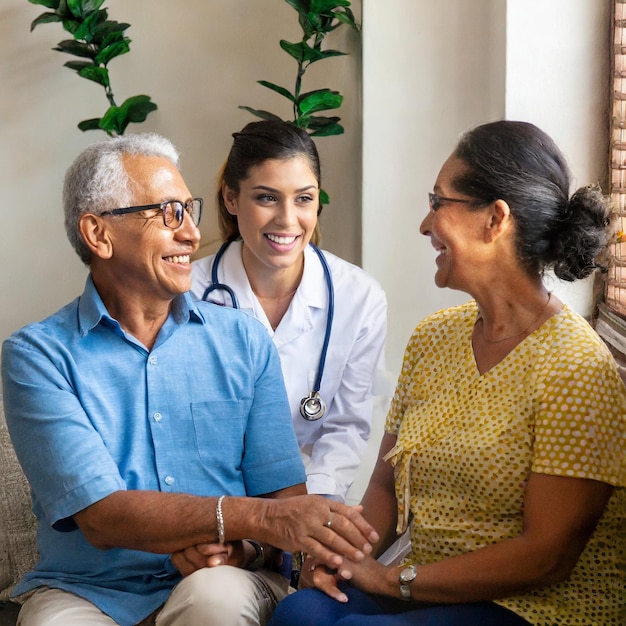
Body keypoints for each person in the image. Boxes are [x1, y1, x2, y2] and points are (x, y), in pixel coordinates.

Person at [0, 133, 379, 626]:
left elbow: (282, 497)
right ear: (98, 234)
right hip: (88, 589)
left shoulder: (243, 339)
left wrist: (240, 547)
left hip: (221, 578)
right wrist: (256, 520)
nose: (192, 235)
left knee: (214, 600)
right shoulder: (38, 356)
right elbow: (102, 516)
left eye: (189, 211)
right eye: (168, 213)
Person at [267, 120, 626, 625]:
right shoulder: (434, 337)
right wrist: (342, 558)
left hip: (534, 607)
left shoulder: (575, 369)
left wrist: (390, 579)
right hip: (427, 586)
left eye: (439, 202)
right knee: (301, 613)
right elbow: (385, 488)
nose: (424, 223)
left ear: (495, 219)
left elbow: (546, 556)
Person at [191, 120, 387, 502]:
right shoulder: (188, 294)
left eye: (303, 198)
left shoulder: (359, 298)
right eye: (266, 197)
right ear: (231, 199)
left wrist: (306, 512)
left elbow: (345, 427)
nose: (287, 219)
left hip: (311, 499)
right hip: (215, 502)